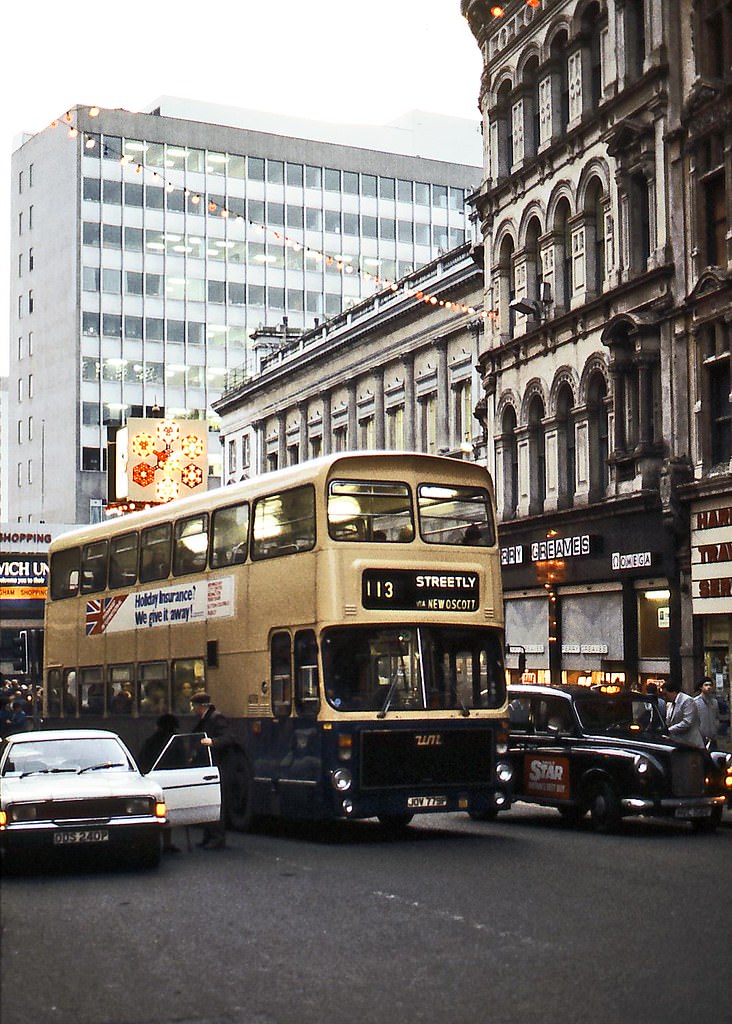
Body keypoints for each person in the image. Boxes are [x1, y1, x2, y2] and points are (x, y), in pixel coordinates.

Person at [190, 691, 235, 849]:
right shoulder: (204, 719)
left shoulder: (216, 718)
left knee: (215, 801)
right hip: (207, 765)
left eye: (194, 706)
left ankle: (217, 837)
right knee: (207, 800)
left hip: (218, 766)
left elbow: (229, 738)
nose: (193, 710)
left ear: (201, 706)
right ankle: (208, 835)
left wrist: (213, 742)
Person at [138, 713, 181, 853]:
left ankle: (150, 842)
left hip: (154, 778)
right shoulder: (176, 741)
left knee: (154, 812)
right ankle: (167, 843)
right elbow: (182, 761)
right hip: (172, 778)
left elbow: (142, 760)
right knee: (167, 812)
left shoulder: (151, 741)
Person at [661, 680, 705, 749]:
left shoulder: (687, 700)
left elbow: (687, 723)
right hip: (678, 742)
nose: (665, 697)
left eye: (665, 694)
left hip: (690, 742)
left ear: (673, 692)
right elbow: (668, 721)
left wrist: (669, 730)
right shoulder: (670, 705)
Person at [694, 677, 720, 750]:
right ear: (701, 687)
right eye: (706, 685)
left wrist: (716, 727)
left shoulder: (714, 702)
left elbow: (717, 717)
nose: (708, 687)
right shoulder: (695, 702)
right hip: (701, 738)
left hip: (713, 738)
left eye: (710, 685)